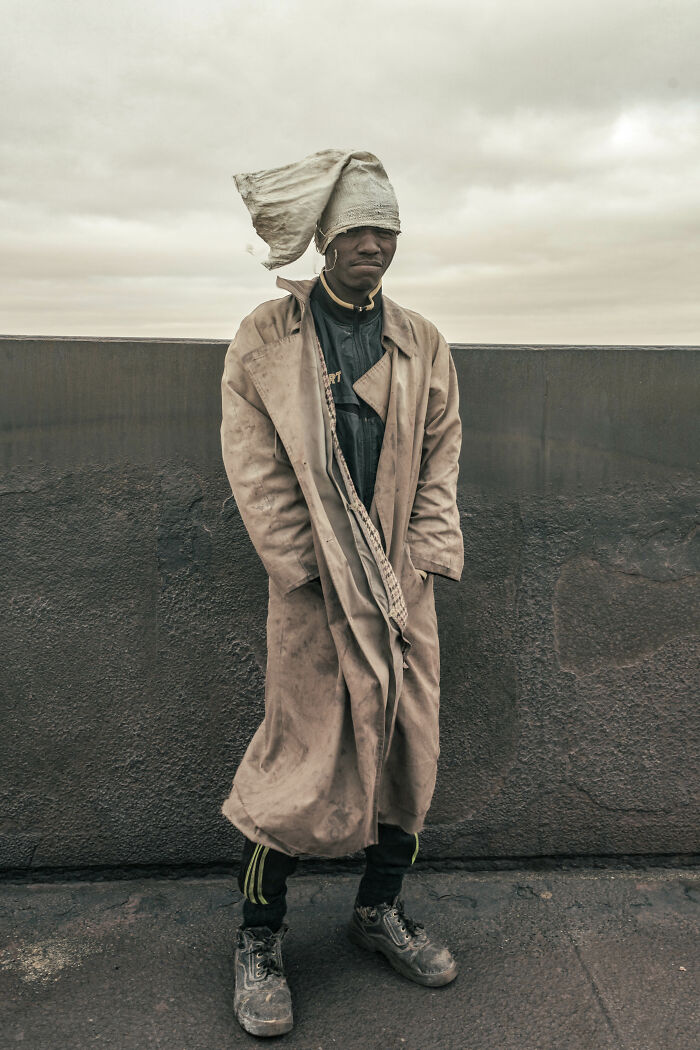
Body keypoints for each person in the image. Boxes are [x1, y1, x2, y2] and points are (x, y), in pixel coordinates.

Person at [221, 149, 463, 1038]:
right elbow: (255, 472)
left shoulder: (423, 342)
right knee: (294, 769)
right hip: (316, 597)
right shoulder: (266, 339)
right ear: (326, 239)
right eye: (358, 229)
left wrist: (424, 558)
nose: (375, 244)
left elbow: (441, 461)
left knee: (409, 758)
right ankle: (258, 937)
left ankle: (377, 914)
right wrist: (307, 570)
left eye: (387, 230)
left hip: (402, 594)